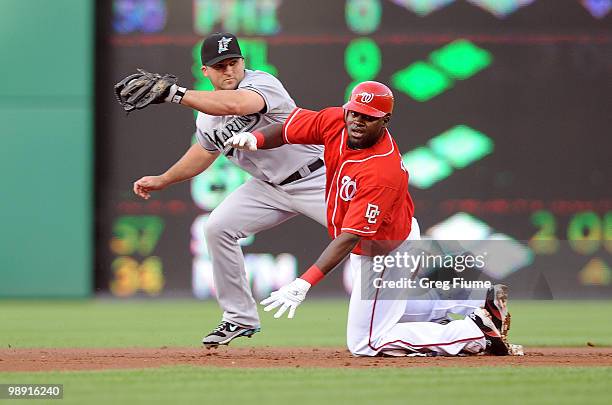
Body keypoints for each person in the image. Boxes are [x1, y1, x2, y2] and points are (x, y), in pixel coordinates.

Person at [226, 81, 512, 356]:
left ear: (385, 120)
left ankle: (474, 334)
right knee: (385, 313)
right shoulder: (336, 120)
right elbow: (289, 128)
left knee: (367, 342)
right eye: (354, 113)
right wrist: (257, 138)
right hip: (386, 237)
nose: (357, 121)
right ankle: (474, 300)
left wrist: (304, 283)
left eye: (368, 117)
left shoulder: (381, 171)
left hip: (385, 248)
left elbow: (351, 236)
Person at [128, 32, 328, 347]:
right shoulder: (206, 118)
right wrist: (164, 178)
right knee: (218, 227)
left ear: (243, 62)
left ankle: (428, 305)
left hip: (317, 178)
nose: (229, 71)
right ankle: (238, 318)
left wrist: (176, 93)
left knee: (376, 239)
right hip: (268, 187)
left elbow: (237, 104)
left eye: (233, 62)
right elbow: (203, 152)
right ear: (205, 71)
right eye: (219, 66)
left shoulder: (263, 83)